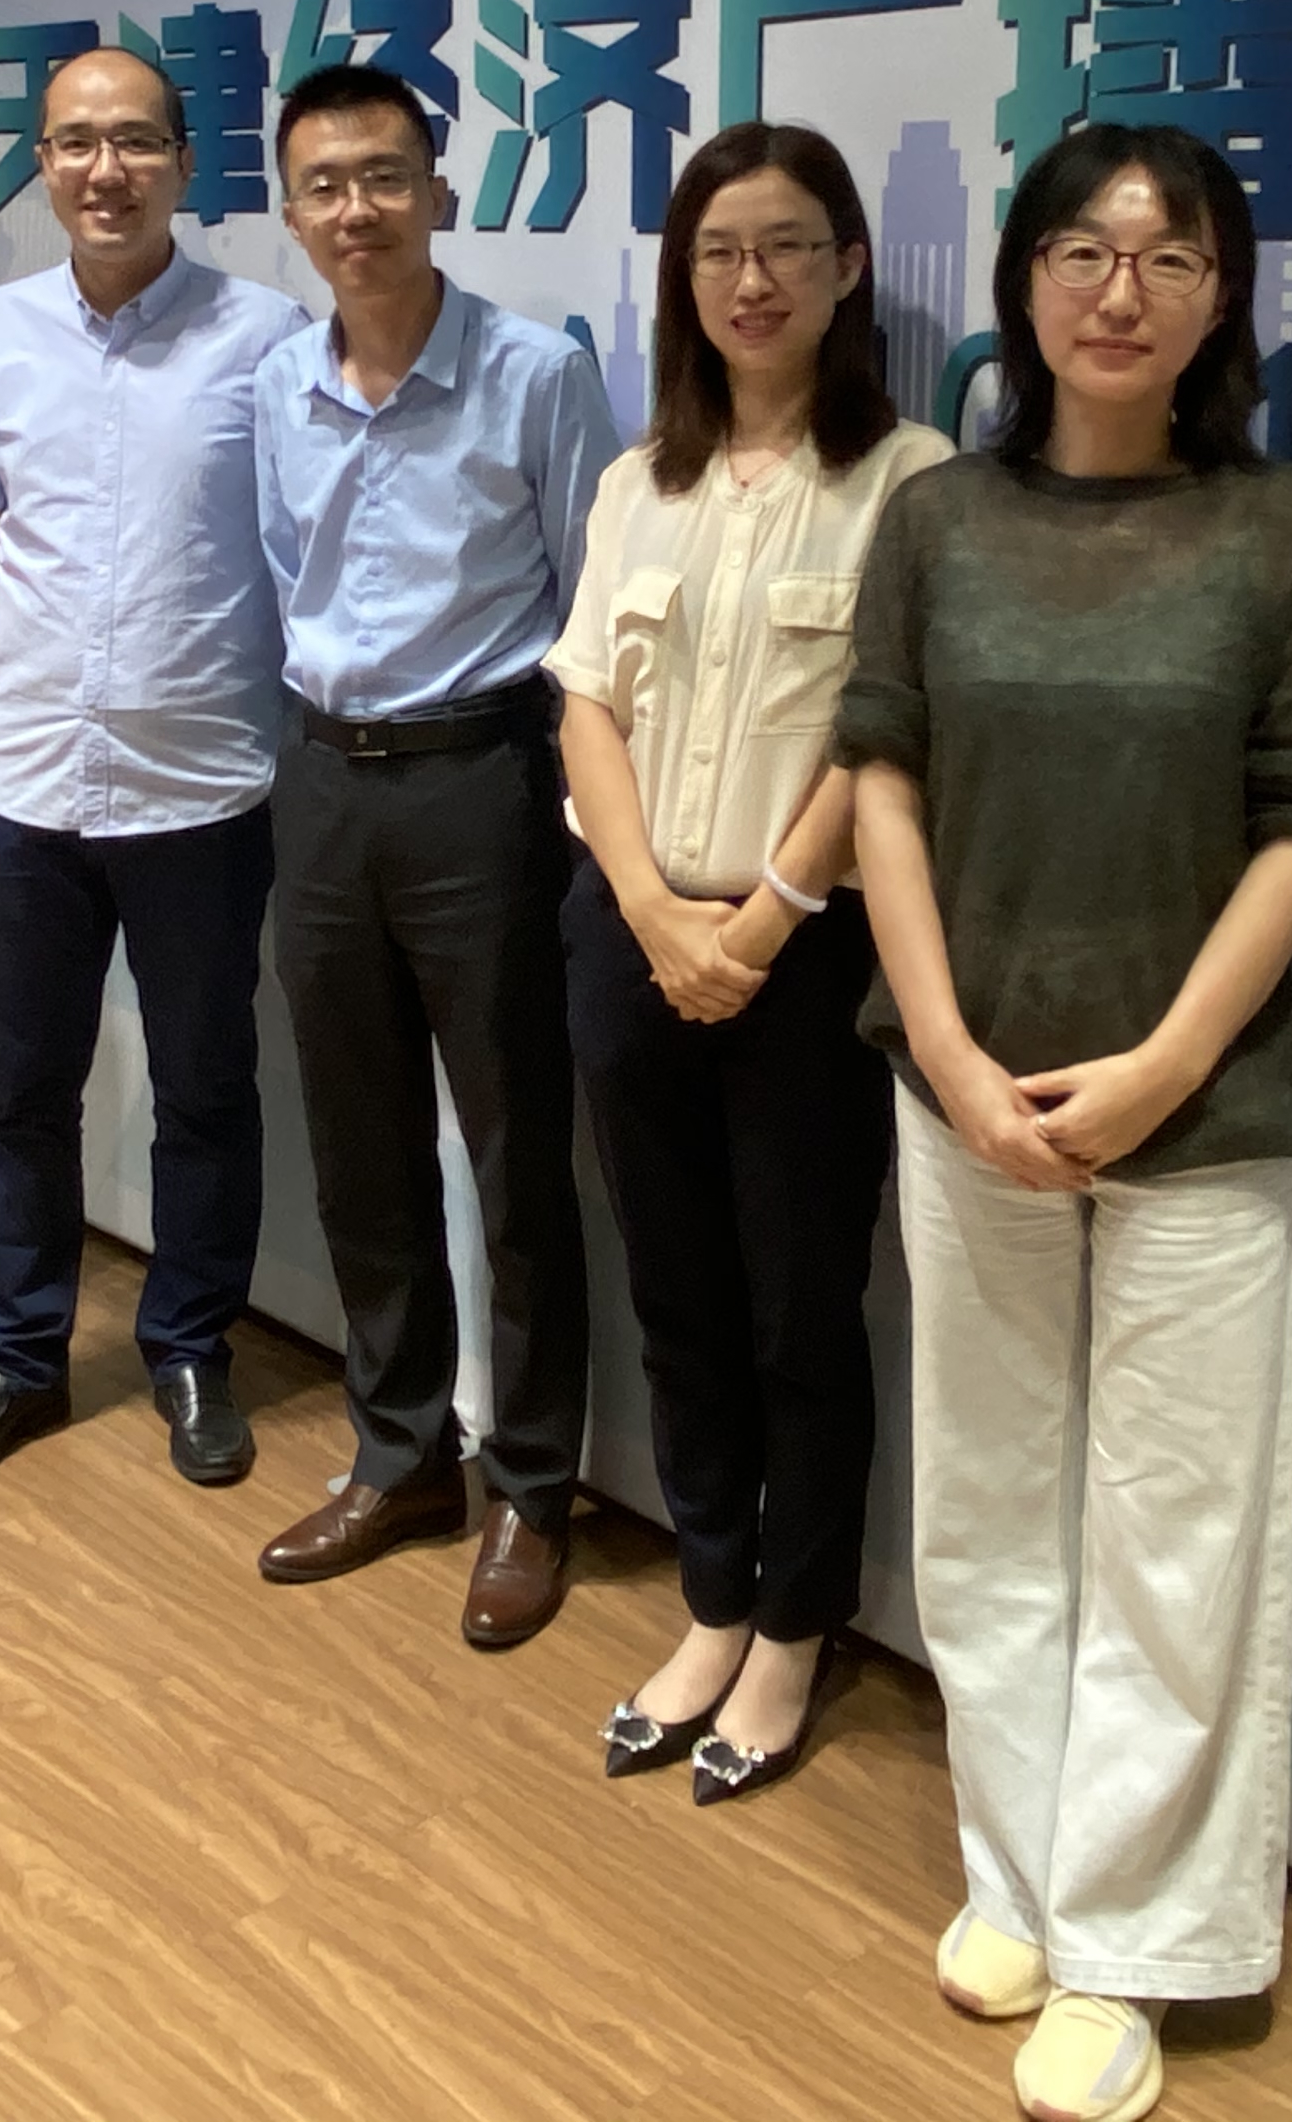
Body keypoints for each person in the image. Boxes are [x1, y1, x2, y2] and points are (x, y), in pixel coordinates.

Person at [835, 124, 1292, 2122]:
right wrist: (951, 1049)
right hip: (963, 1094)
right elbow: (881, 779)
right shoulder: (938, 520)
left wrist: (1158, 1067)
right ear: (1024, 284)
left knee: (1177, 1531)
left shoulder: (1282, 532)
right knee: (986, 1506)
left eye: (1168, 258)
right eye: (1081, 250)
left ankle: (1138, 1941)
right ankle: (1025, 1881)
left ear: (1222, 297)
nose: (1119, 292)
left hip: (1205, 1107)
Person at [547, 123, 947, 1804]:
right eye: (718, 252)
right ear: (683, 282)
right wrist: (652, 912)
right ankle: (712, 1598)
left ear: (848, 267)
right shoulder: (640, 479)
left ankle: (796, 1628)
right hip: (633, 935)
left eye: (787, 246)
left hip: (811, 956)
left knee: (800, 1310)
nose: (752, 280)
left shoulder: (913, 481)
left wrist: (764, 920)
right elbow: (585, 702)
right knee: (677, 1291)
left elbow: (886, 731)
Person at [249, 60, 618, 1648]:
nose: (358, 210)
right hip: (325, 781)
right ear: (291, 212)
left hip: (486, 781)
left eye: (385, 176)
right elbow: (290, 577)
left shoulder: (537, 375)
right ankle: (399, 1455)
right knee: (362, 1141)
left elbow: (593, 606)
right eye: (325, 185)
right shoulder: (278, 385)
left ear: (439, 193)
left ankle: (532, 1485)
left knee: (519, 1151)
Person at [0, 48, 307, 1496]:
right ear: (43, 164)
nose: (105, 170)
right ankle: (18, 1359)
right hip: (28, 786)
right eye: (75, 142)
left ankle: (190, 1345)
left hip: (202, 787)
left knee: (205, 1088)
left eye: (136, 141)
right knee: (22, 1091)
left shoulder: (268, 337)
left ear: (185, 164)